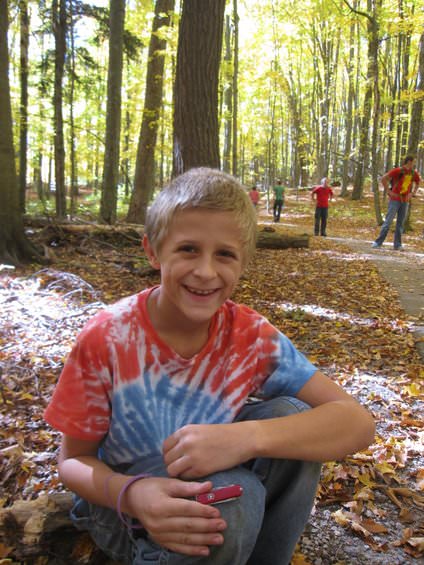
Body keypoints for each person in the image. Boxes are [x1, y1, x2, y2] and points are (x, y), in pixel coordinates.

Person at [44, 167, 375, 565]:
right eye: (188, 249)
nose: (205, 271)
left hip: (207, 481)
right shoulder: (106, 338)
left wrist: (248, 437)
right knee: (233, 497)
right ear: (153, 251)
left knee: (291, 416)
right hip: (124, 505)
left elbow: (358, 422)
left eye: (224, 254)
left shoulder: (250, 336)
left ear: (243, 261)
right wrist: (132, 494)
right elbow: (72, 462)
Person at [372, 155, 421, 251]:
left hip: (405, 201)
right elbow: (384, 178)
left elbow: (418, 182)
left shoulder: (413, 173)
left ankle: (397, 245)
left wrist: (412, 193)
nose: (414, 164)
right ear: (409, 161)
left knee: (400, 224)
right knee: (388, 221)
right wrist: (389, 191)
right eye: (413, 162)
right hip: (395, 200)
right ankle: (378, 242)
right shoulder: (398, 170)